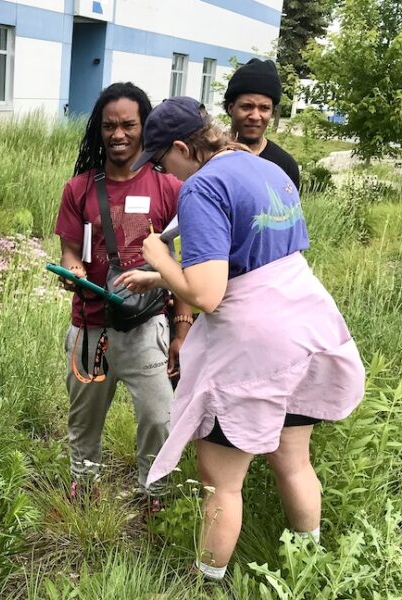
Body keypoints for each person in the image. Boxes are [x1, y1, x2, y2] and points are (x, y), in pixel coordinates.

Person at [123, 96, 364, 580]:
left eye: (164, 162)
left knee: (221, 483)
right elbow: (256, 256)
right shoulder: (266, 168)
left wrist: (157, 255)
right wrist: (161, 278)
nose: (167, 174)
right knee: (294, 462)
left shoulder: (202, 187)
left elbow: (208, 295)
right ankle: (305, 569)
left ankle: (205, 585)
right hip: (307, 324)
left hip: (256, 345)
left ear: (179, 148)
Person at [54, 82, 193, 503]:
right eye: (109, 126)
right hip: (90, 326)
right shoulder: (78, 188)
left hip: (147, 324)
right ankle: (86, 490)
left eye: (128, 125)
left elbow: (186, 263)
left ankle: (154, 495)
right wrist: (73, 271)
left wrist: (182, 329)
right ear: (99, 129)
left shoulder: (169, 187)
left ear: (145, 128)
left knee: (159, 416)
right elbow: (70, 251)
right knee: (84, 420)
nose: (118, 135)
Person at [224, 58, 300, 189]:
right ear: (231, 108)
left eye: (264, 108)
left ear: (272, 112)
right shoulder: (210, 156)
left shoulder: (284, 165)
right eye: (247, 107)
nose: (255, 116)